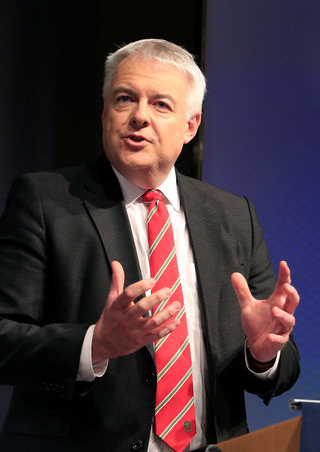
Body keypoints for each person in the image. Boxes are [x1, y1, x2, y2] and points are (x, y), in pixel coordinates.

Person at [0, 39, 300, 451]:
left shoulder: (233, 216)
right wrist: (96, 343)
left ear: (191, 125)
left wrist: (263, 355)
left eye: (161, 105)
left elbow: (280, 371)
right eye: (125, 99)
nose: (139, 116)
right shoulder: (44, 200)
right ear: (106, 113)